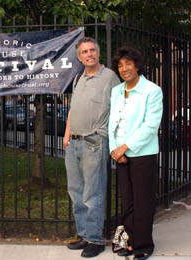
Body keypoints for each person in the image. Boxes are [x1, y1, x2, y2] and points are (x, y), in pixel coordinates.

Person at [63, 37, 120, 258]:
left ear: (98, 53)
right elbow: (73, 109)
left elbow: (119, 109)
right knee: (76, 193)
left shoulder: (109, 78)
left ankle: (96, 240)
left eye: (92, 50)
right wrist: (67, 135)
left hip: (94, 143)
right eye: (85, 52)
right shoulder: (78, 78)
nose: (89, 54)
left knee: (92, 194)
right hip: (74, 143)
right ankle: (84, 235)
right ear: (79, 57)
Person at [109, 46, 163, 260]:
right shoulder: (116, 91)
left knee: (143, 200)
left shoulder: (152, 90)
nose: (124, 69)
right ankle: (128, 240)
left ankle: (143, 245)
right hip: (121, 155)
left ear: (137, 65)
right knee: (127, 199)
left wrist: (125, 147)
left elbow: (150, 126)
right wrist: (116, 150)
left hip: (142, 154)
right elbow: (112, 122)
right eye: (120, 65)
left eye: (128, 64)